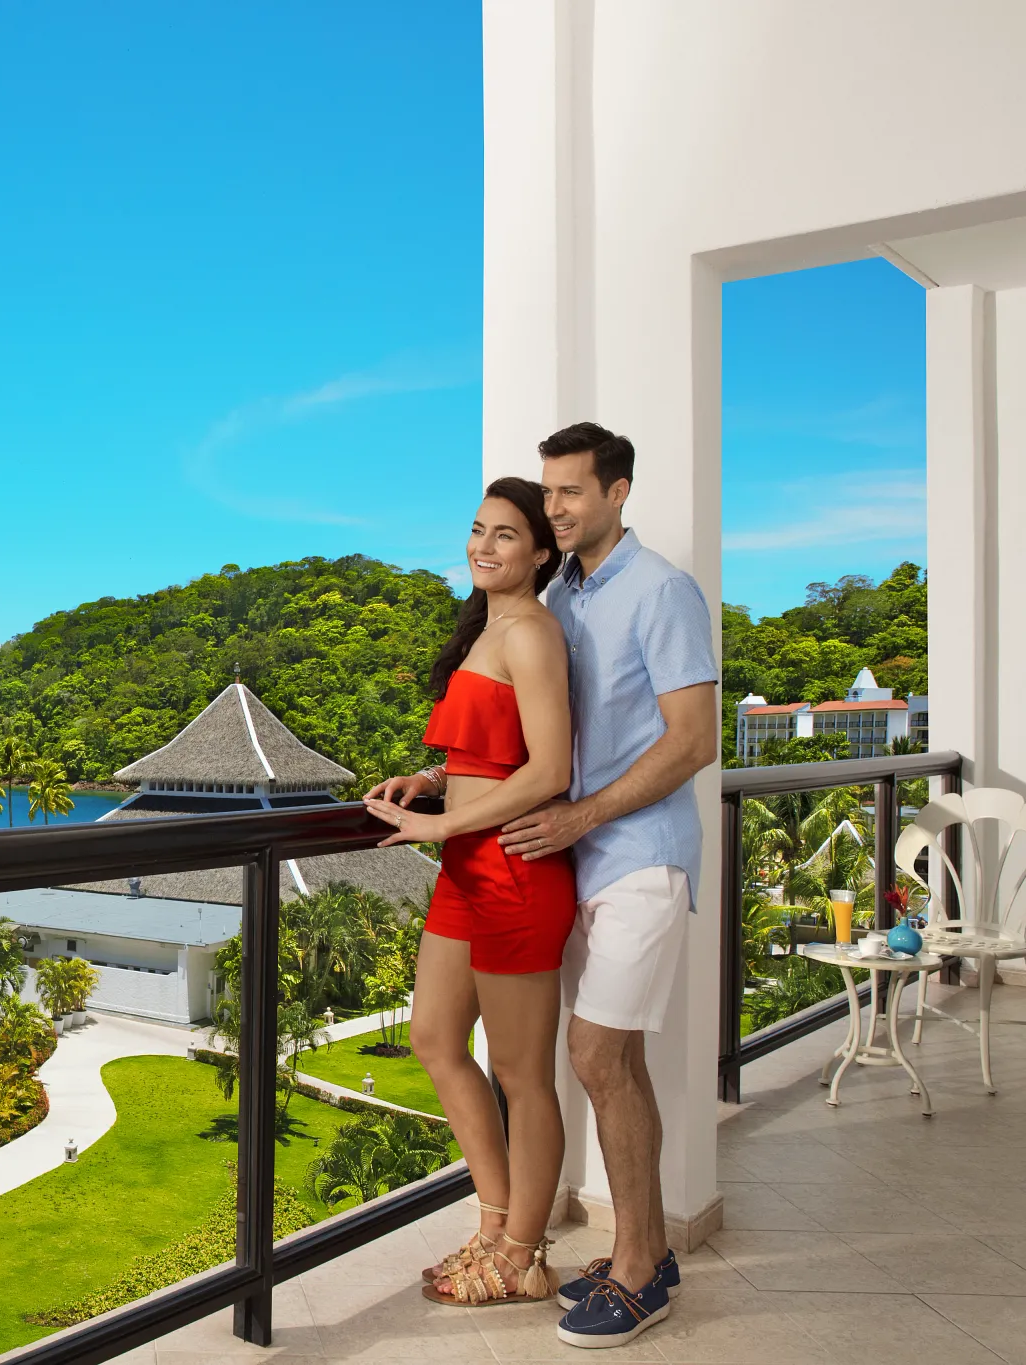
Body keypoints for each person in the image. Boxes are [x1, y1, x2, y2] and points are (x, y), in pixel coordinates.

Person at [497, 422, 719, 1349]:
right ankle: (650, 1248)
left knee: (591, 1055)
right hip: (576, 861)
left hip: (641, 855)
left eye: (572, 493)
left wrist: (585, 818)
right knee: (615, 1061)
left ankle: (638, 1274)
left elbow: (694, 739)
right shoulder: (561, 596)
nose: (555, 508)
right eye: (548, 494)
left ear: (618, 492)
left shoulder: (663, 591)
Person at [364, 476, 576, 1309]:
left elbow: (551, 770)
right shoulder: (486, 632)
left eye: (507, 536)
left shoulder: (531, 632)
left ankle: (524, 1253)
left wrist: (442, 825)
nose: (484, 546)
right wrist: (431, 779)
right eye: (478, 531)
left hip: (516, 867)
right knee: (435, 1036)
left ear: (542, 554)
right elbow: (492, 751)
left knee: (523, 1075)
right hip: (466, 867)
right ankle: (495, 1224)